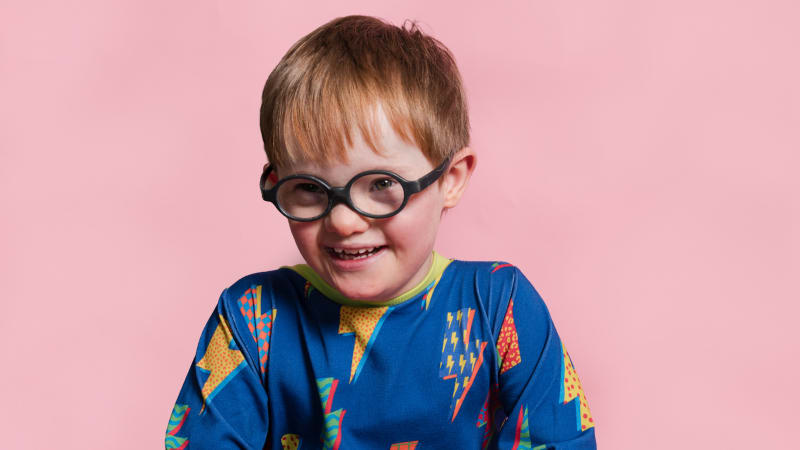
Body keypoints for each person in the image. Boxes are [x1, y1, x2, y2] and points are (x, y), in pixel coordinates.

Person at [166, 15, 596, 450]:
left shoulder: (499, 304)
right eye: (310, 189)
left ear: (451, 179)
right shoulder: (253, 318)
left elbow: (559, 440)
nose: (343, 222)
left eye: (382, 185)